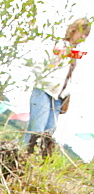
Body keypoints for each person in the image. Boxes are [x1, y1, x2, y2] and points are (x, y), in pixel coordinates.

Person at [25, 17, 91, 155]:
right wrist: (47, 76)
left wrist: (67, 94)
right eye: (82, 33)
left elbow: (73, 79)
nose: (83, 37)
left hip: (59, 97)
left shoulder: (76, 54)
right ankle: (22, 156)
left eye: (86, 35)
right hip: (44, 90)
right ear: (73, 30)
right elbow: (37, 65)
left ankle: (35, 164)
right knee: (36, 130)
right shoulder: (56, 44)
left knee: (48, 133)